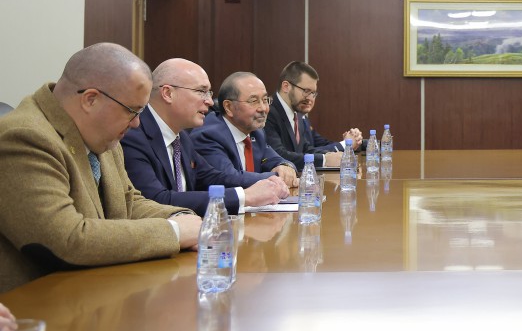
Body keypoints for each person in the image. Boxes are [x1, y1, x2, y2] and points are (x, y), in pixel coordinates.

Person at [0, 43, 201, 293]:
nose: (137, 124)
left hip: (95, 292)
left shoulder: (102, 136)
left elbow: (129, 203)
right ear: (90, 99)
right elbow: (66, 239)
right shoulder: (25, 137)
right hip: (38, 304)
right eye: (132, 111)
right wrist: (174, 232)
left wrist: (180, 218)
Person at [121, 59, 289, 216]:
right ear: (168, 93)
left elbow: (211, 177)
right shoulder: (133, 134)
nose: (209, 101)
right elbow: (156, 200)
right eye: (201, 91)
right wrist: (244, 196)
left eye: (209, 93)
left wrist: (268, 181)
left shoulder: (181, 137)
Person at [190, 72, 298, 187]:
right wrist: (277, 177)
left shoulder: (256, 133)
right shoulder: (208, 135)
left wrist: (285, 166)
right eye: (253, 101)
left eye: (265, 100)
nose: (263, 108)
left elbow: (275, 159)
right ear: (228, 107)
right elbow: (228, 179)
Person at [264, 61, 364, 170]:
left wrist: (345, 146)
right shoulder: (267, 112)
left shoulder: (297, 113)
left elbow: (306, 150)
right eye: (306, 91)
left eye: (313, 93)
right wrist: (325, 159)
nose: (310, 98)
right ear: (286, 86)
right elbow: (279, 156)